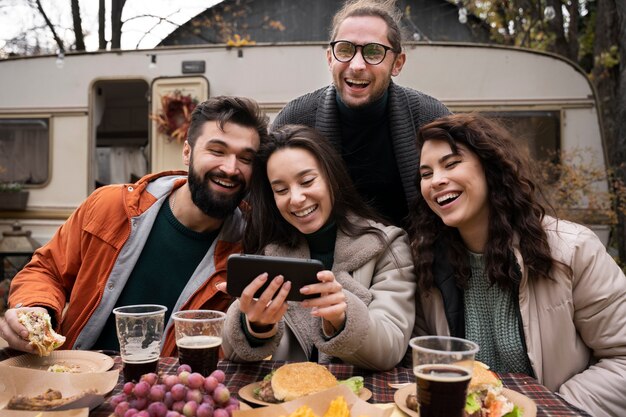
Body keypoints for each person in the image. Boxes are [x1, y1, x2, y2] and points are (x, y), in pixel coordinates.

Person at [0, 96, 269, 356]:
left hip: (167, 395)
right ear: (187, 152)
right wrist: (36, 311)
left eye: (245, 159)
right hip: (78, 379)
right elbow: (47, 270)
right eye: (216, 150)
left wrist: (255, 328)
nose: (231, 168)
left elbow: (235, 348)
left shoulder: (250, 247)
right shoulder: (111, 206)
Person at [410, 113, 626, 417]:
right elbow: (421, 364)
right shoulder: (428, 263)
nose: (436, 180)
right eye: (425, 173)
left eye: (451, 164)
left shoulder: (573, 249)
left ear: (490, 167)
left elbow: (621, 359)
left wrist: (549, 411)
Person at [220, 125, 416, 371]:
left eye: (307, 181)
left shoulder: (387, 245)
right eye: (281, 190)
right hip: (285, 401)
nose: (296, 198)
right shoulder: (269, 249)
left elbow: (391, 348)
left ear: (331, 178)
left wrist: (342, 318)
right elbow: (232, 353)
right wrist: (255, 326)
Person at [272, 0, 450, 228]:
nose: (356, 65)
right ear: (330, 58)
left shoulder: (430, 117)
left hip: (418, 256)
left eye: (374, 52)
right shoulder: (295, 119)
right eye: (345, 50)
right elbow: (263, 203)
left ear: (397, 63)